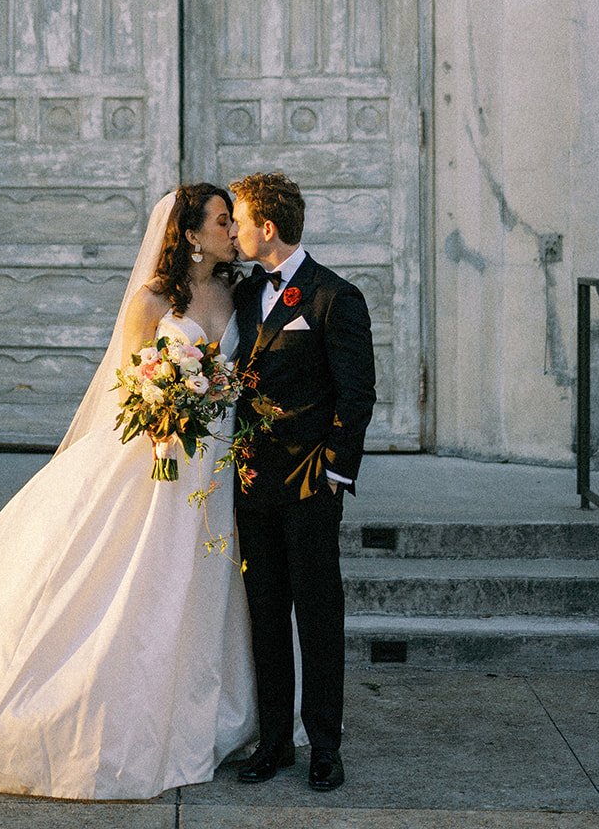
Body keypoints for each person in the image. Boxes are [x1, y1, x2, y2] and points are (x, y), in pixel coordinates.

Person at [0, 185, 257, 800]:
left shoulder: (238, 292)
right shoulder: (152, 301)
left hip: (218, 461)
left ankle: (207, 705)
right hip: (157, 456)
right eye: (220, 221)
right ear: (188, 235)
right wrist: (167, 403)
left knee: (204, 580)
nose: (231, 230)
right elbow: (127, 385)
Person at [229, 172, 376, 794]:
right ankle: (274, 742)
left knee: (317, 615)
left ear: (268, 227)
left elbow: (357, 393)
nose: (232, 232)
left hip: (310, 483)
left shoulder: (334, 297)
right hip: (251, 481)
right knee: (264, 614)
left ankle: (325, 744)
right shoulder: (240, 295)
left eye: (238, 221)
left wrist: (336, 474)